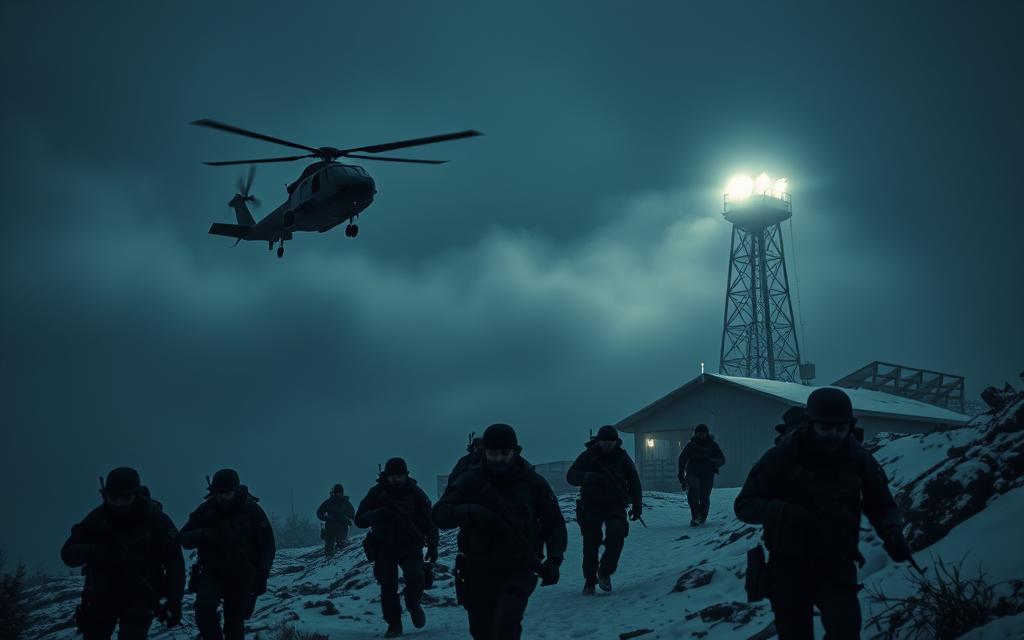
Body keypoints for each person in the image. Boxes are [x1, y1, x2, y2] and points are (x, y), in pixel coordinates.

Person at [734, 387, 913, 640]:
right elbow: (745, 505)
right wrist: (785, 512)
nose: (834, 435)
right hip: (788, 565)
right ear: (809, 423)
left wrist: (892, 532)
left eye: (840, 429)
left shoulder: (858, 459)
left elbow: (881, 504)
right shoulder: (780, 457)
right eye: (826, 429)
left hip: (836, 562)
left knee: (846, 631)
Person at [433, 423, 567, 640]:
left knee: (507, 624)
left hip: (520, 565)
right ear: (484, 452)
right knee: (482, 631)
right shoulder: (470, 481)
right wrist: (472, 512)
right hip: (478, 568)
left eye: (504, 453)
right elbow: (440, 515)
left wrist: (554, 559)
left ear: (515, 452)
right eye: (493, 453)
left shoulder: (532, 483)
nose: (499, 459)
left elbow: (554, 523)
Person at [61, 467, 185, 639]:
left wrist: (175, 600)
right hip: (101, 593)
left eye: (125, 498)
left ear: (136, 495)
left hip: (140, 593)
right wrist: (96, 552)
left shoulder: (155, 520)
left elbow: (175, 562)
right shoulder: (98, 518)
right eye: (113, 498)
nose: (118, 504)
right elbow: (68, 553)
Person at [180, 469, 276, 640]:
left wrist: (263, 573)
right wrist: (207, 535)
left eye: (228, 493)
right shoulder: (207, 509)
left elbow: (267, 544)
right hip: (212, 573)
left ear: (236, 491)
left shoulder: (251, 510)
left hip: (242, 574)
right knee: (204, 611)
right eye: (219, 493)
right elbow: (185, 538)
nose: (223, 498)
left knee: (235, 622)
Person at [355, 457, 438, 638]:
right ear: (386, 477)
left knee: (416, 577)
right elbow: (359, 518)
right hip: (384, 547)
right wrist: (378, 514)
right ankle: (394, 624)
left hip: (410, 545)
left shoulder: (415, 493)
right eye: (393, 477)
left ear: (406, 475)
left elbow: (429, 520)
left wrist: (433, 544)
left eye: (400, 476)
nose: (397, 480)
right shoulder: (376, 493)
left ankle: (412, 601)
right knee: (387, 586)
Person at [566, 425, 642, 594]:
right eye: (604, 441)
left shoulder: (622, 458)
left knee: (617, 534)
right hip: (591, 505)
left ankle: (605, 572)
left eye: (610, 441)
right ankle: (590, 580)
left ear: (616, 442)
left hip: (615, 504)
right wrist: (589, 477)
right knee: (591, 542)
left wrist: (637, 504)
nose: (607, 445)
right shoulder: (588, 456)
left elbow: (634, 481)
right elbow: (571, 476)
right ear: (598, 441)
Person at [677, 424, 726, 526]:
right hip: (692, 473)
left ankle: (702, 517)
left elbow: (722, 459)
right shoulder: (691, 445)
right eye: (699, 433)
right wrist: (681, 473)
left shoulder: (712, 445)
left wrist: (711, 460)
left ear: (706, 434)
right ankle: (696, 516)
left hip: (707, 474)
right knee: (692, 494)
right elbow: (682, 459)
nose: (701, 435)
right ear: (696, 434)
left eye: (703, 433)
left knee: (704, 497)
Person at [317, 484, 355, 557]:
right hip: (331, 528)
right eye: (337, 493)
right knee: (329, 551)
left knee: (341, 549)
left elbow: (352, 515)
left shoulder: (345, 503)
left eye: (339, 493)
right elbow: (319, 513)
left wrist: (347, 519)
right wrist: (327, 518)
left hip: (341, 528)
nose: (338, 494)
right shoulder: (330, 502)